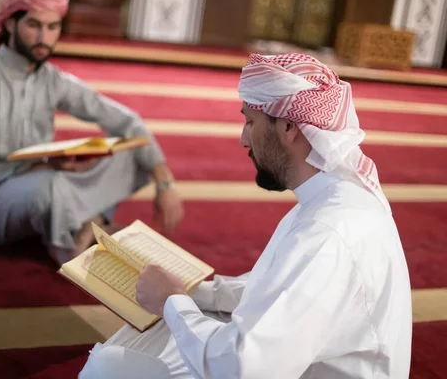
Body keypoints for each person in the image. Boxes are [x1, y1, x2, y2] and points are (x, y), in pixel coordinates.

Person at [79, 53, 413, 378]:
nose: (243, 138)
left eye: (250, 122)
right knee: (155, 335)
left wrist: (172, 301)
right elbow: (276, 290)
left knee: (107, 369)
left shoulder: (326, 232)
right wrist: (194, 293)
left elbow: (243, 370)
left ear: (287, 127)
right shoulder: (335, 196)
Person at [0, 0, 184, 266]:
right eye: (34, 25)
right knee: (50, 184)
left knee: (132, 153)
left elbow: (127, 121)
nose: (44, 37)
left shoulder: (51, 79)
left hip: (36, 185)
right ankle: (68, 245)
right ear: (10, 24)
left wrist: (165, 184)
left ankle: (88, 224)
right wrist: (42, 165)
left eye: (52, 27)